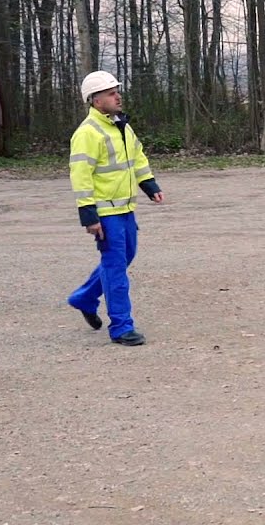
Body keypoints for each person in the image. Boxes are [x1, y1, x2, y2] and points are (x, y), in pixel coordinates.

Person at [66, 70, 164, 346]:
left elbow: (137, 157)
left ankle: (84, 297)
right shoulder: (87, 133)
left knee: (124, 257)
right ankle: (121, 326)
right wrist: (89, 216)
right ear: (96, 101)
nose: (117, 96)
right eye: (111, 93)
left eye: (116, 91)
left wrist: (150, 185)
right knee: (116, 268)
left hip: (125, 209)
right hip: (104, 213)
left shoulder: (122, 126)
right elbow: (81, 176)